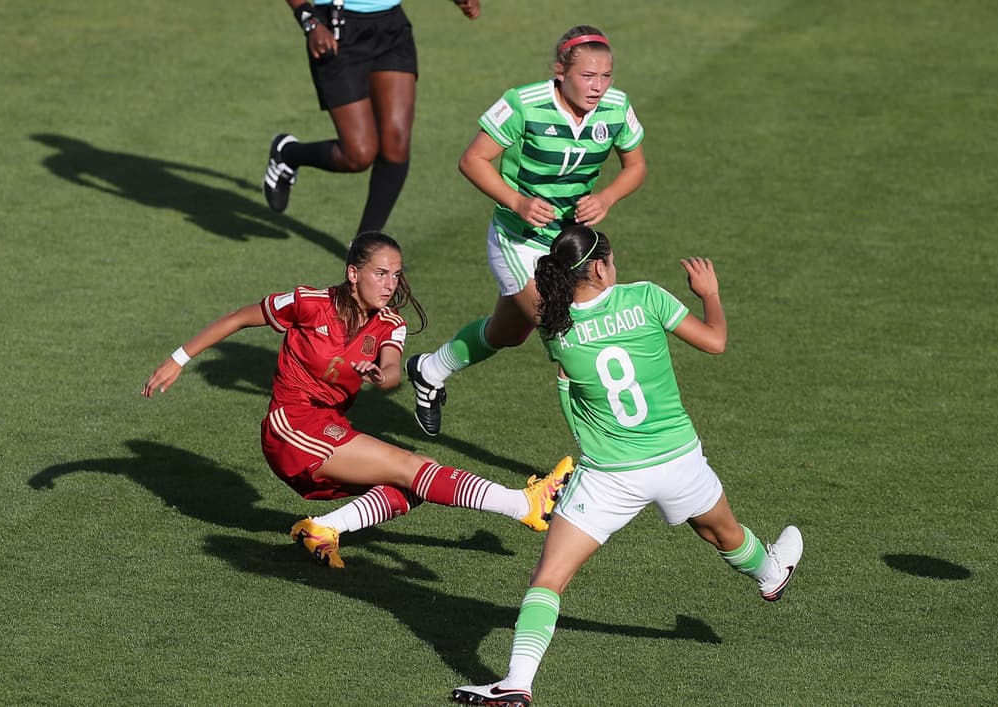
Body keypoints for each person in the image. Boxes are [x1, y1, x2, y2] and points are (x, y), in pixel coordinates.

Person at [450, 225, 803, 706]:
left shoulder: (557, 329)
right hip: (678, 459)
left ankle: (517, 682)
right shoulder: (647, 298)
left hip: (610, 476)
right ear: (599, 267)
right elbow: (716, 342)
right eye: (612, 259)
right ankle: (769, 573)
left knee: (550, 578)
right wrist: (710, 294)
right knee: (723, 533)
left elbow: (569, 388)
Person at [142, 231, 571, 568]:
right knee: (414, 468)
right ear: (353, 274)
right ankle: (522, 504)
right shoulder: (310, 303)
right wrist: (179, 358)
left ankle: (324, 529)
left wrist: (379, 375)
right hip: (291, 428)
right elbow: (240, 317)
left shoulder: (391, 324)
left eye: (396, 274)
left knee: (412, 486)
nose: (390, 284)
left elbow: (388, 372)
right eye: (380, 273)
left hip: (329, 428)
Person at [405, 25, 647, 436]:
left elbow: (636, 166)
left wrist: (606, 198)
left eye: (606, 76)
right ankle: (604, 451)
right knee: (566, 337)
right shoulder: (524, 103)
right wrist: (517, 202)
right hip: (517, 241)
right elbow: (473, 160)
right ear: (560, 71)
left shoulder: (617, 108)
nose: (598, 87)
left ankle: (429, 370)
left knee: (508, 334)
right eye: (588, 76)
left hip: (566, 245)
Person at [263, 0, 482, 235]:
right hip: (337, 32)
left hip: (391, 28)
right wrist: (310, 22)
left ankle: (362, 249)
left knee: (396, 144)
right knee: (358, 155)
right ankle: (288, 154)